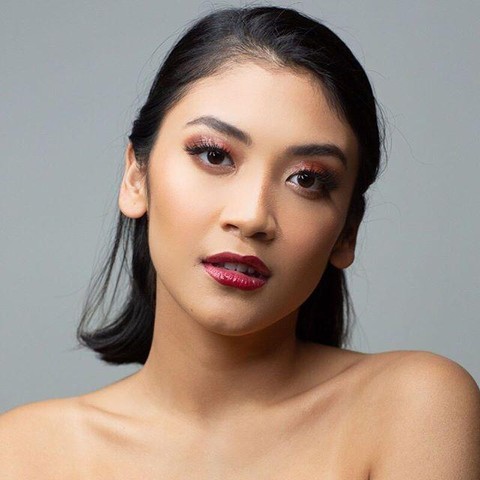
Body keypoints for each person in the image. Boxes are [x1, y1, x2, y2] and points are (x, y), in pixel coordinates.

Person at [1, 5, 479, 478]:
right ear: (135, 177)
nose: (252, 217)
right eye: (214, 155)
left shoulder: (414, 407)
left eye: (307, 180)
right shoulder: (24, 453)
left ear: (346, 232)